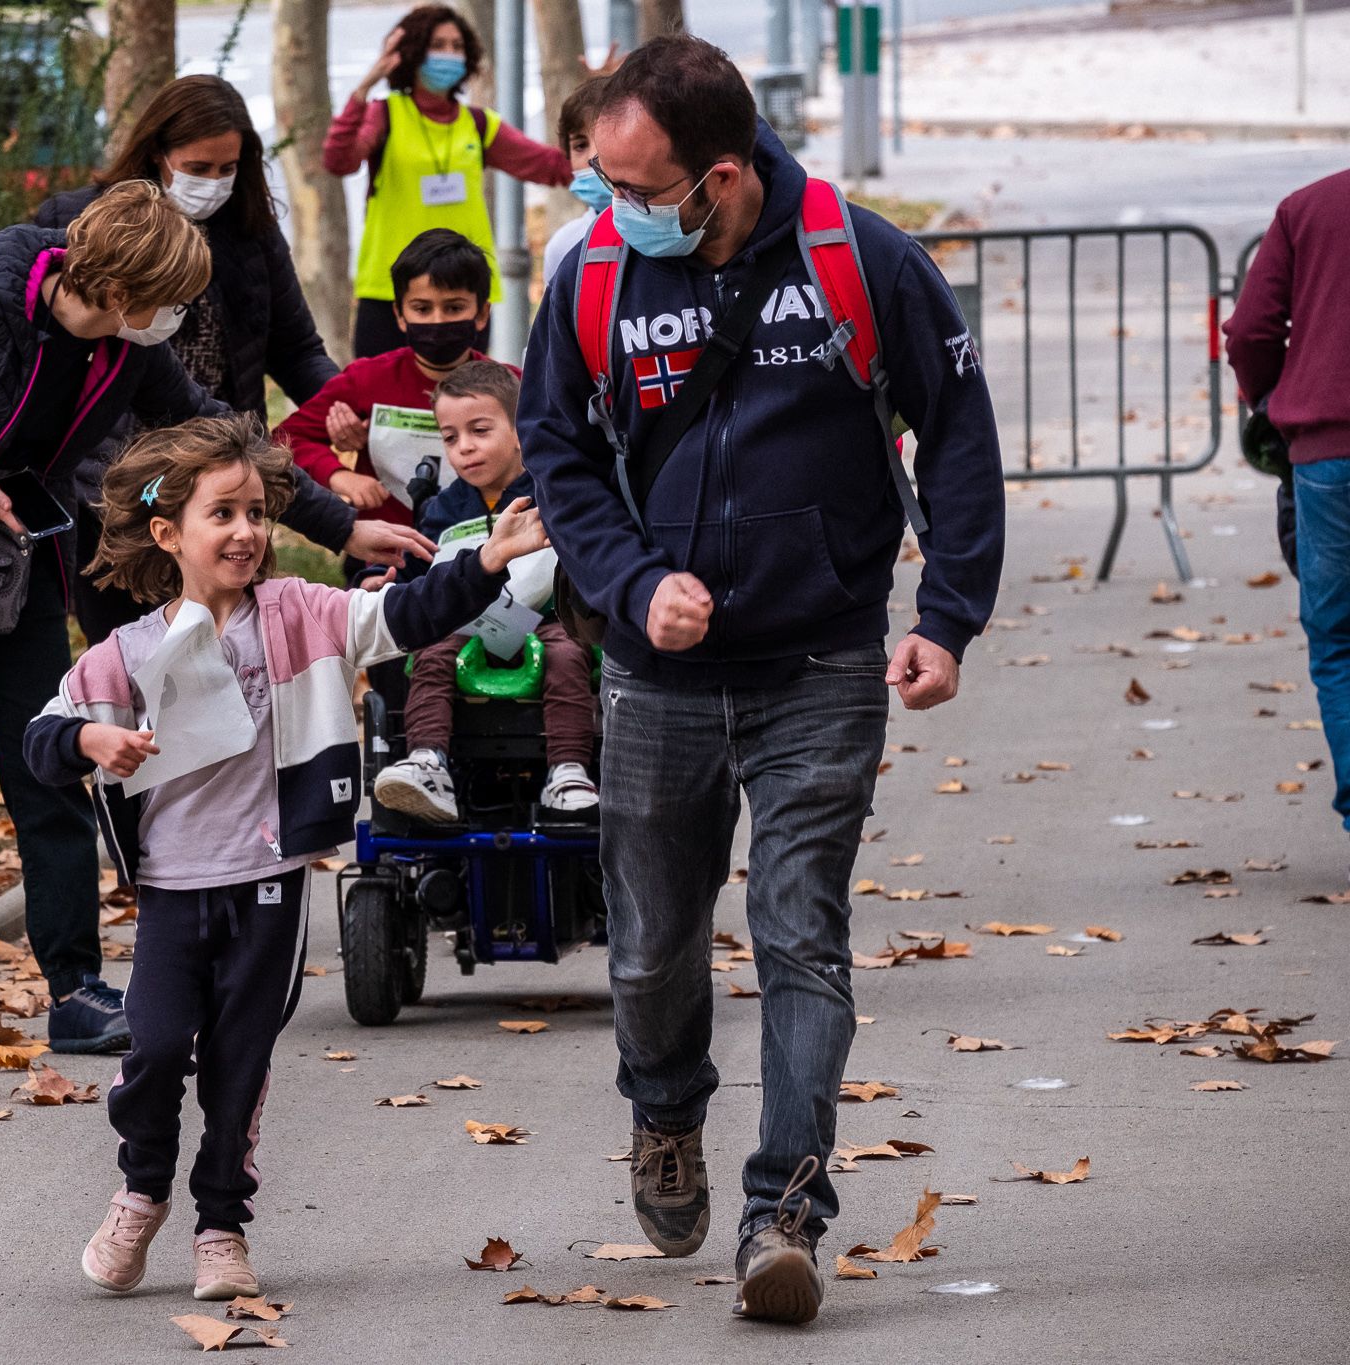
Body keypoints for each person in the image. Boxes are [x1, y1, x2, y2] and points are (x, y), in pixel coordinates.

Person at [519, 37, 1005, 1324]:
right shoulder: (595, 275)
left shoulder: (863, 259)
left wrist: (946, 616)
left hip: (819, 660)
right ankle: (664, 1110)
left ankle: (781, 1210)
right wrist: (629, 583)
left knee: (800, 937)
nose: (608, 205)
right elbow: (554, 453)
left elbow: (955, 434)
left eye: (633, 183)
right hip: (654, 680)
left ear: (719, 177)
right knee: (649, 955)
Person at [0, 183, 407, 1056]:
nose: (176, 320)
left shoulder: (126, 350)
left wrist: (340, 522)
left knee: (57, 758)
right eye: (168, 302)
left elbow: (224, 437)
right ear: (122, 295)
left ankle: (76, 987)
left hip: (10, 565)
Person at [23, 415, 544, 1300]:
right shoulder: (130, 650)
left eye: (257, 513)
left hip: (267, 882)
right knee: (151, 1050)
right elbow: (41, 740)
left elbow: (405, 614)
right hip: (173, 892)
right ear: (167, 534)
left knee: (240, 1063)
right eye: (222, 514)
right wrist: (92, 740)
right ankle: (143, 1188)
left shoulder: (301, 615)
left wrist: (487, 564)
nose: (246, 532)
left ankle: (221, 1224)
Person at [34, 74, 343, 645]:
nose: (214, 183)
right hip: (118, 488)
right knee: (134, 653)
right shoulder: (81, 220)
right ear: (157, 152)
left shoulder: (252, 233)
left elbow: (297, 349)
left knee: (230, 651)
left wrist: (342, 403)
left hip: (221, 475)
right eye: (199, 168)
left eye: (228, 169)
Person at [369, 361, 599, 822]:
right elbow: (420, 575)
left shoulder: (550, 491)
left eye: (479, 430)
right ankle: (428, 761)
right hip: (465, 624)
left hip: (548, 619)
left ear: (520, 430)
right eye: (451, 438)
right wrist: (379, 582)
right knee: (431, 653)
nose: (465, 448)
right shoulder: (441, 509)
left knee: (568, 657)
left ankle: (569, 771)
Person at [323, 4, 570, 358]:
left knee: (459, 403)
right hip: (389, 289)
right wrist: (365, 85)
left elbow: (554, 167)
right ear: (410, 52)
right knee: (382, 407)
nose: (449, 55)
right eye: (438, 45)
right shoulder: (385, 114)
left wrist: (604, 106)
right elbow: (339, 160)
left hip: (463, 291)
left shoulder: (478, 124)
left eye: (457, 47)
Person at [1225, 168, 1350, 844]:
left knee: (1339, 636)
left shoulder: (1307, 208)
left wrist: (1274, 400)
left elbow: (1251, 330)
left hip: (1329, 451)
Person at [275, 228, 501, 532]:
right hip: (382, 556)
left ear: (482, 313)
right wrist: (339, 475)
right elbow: (285, 439)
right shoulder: (367, 379)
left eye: (454, 307)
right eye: (422, 308)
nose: (437, 320)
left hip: (485, 554)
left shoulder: (510, 387)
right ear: (400, 315)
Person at [541, 76, 617, 287]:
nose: (594, 157)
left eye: (607, 138)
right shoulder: (563, 246)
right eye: (580, 145)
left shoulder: (669, 236)